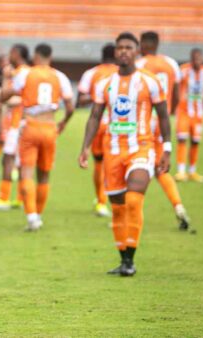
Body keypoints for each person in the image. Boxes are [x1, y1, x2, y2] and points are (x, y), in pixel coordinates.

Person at [79, 32, 171, 276]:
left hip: (141, 147)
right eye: (120, 47)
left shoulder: (149, 81)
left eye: (128, 47)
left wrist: (167, 148)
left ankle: (131, 257)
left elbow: (163, 114)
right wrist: (85, 147)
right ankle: (123, 258)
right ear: (115, 51)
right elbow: (95, 116)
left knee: (133, 200)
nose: (123, 51)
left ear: (137, 50)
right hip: (113, 151)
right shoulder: (104, 83)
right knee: (118, 207)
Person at [3, 43, 74, 231]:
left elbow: (5, 95)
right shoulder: (60, 76)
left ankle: (32, 216)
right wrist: (64, 122)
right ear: (50, 57)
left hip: (30, 125)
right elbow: (70, 106)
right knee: (44, 174)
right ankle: (39, 215)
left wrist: (6, 84)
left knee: (26, 172)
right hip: (50, 126)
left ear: (35, 56)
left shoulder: (26, 74)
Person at [137, 31, 191, 230]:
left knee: (138, 166)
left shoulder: (140, 64)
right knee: (161, 168)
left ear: (143, 44)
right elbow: (176, 94)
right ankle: (178, 207)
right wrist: (168, 113)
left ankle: (131, 213)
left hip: (144, 124)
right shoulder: (171, 64)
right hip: (163, 121)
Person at [0, 44, 30, 211]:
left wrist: (3, 85)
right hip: (16, 122)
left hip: (17, 122)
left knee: (10, 158)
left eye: (10, 53)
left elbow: (16, 98)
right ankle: (19, 198)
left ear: (16, 54)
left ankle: (5, 198)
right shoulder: (23, 72)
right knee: (18, 159)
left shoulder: (21, 73)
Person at [75, 43, 117, 217]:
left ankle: (101, 201)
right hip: (117, 125)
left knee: (98, 163)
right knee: (113, 164)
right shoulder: (122, 74)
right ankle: (111, 200)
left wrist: (96, 96)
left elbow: (80, 100)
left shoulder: (91, 74)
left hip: (98, 123)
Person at [175, 48, 203, 183]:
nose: (197, 61)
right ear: (191, 59)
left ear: (202, 59)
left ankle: (192, 171)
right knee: (182, 139)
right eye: (194, 58)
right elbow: (175, 86)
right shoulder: (183, 70)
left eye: (199, 58)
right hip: (183, 112)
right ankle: (181, 171)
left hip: (198, 114)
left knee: (195, 141)